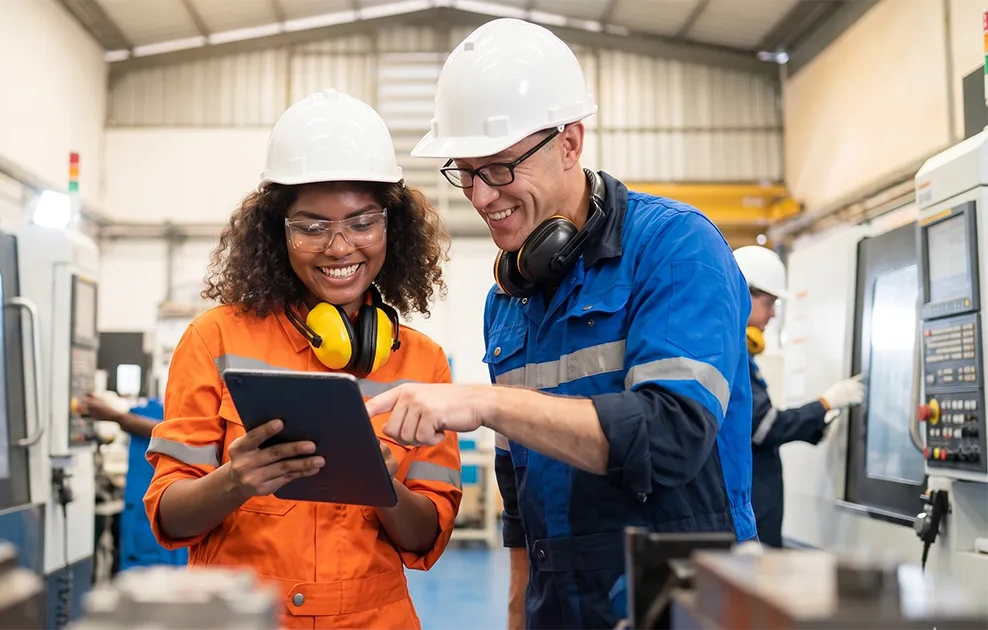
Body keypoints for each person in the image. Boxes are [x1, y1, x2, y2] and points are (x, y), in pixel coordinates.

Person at [364, 18, 756, 630]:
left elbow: (671, 436)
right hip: (559, 606)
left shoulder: (675, 248)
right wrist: (519, 612)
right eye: (464, 171)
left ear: (569, 143)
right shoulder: (510, 297)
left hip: (677, 598)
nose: (480, 195)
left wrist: (485, 402)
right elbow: (518, 494)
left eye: (498, 168)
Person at [142, 88, 463, 630]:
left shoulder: (422, 363)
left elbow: (428, 535)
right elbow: (169, 517)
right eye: (311, 227)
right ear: (277, 232)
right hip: (243, 617)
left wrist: (382, 490)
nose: (340, 247)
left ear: (393, 225)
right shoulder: (215, 340)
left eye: (363, 222)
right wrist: (235, 480)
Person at [733, 245, 865, 548]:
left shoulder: (742, 354)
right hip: (748, 516)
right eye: (770, 302)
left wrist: (816, 422)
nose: (773, 313)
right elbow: (764, 426)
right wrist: (824, 404)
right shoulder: (733, 354)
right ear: (744, 294)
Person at [78, 392, 189, 571]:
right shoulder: (158, 409)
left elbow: (171, 434)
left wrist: (117, 416)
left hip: (164, 514)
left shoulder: (188, 419)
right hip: (141, 508)